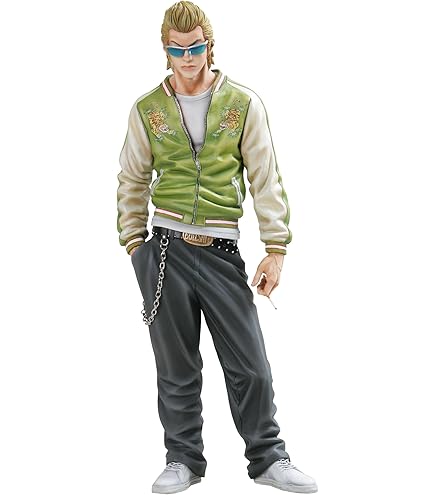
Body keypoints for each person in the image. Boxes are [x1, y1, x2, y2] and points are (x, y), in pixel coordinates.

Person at [117, 1, 318, 493]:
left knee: (251, 365)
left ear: (210, 45)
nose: (187, 57)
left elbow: (265, 176)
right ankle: (182, 459)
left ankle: (268, 456)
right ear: (165, 51)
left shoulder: (242, 104)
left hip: (222, 248)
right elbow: (132, 178)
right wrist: (135, 245)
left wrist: (275, 247)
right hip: (165, 250)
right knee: (176, 366)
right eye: (177, 49)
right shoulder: (147, 109)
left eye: (196, 47)